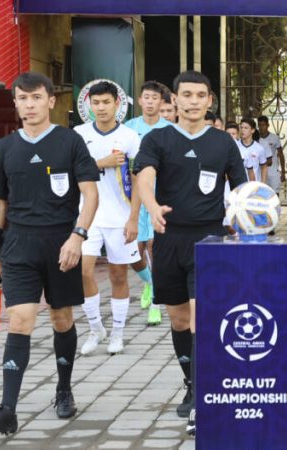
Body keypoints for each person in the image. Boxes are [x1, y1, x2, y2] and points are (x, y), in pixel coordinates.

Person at [0, 72, 100, 434]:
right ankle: (8, 410)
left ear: (50, 101)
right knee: (20, 320)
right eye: (21, 99)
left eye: (35, 98)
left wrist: (78, 236)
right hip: (19, 246)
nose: (28, 105)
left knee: (61, 318)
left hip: (62, 244)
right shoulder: (5, 148)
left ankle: (63, 389)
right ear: (14, 103)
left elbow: (90, 194)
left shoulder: (70, 142)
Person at [134, 70, 247, 436]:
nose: (194, 101)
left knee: (201, 319)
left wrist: (246, 220)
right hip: (168, 238)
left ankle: (202, 400)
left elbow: (243, 189)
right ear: (176, 100)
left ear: (210, 100)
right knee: (180, 321)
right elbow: (145, 176)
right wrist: (151, 206)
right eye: (187, 95)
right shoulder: (158, 138)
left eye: (201, 95)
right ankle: (192, 383)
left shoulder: (223, 144)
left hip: (210, 240)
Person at [74, 81, 143, 355]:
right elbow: (70, 172)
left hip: (120, 217)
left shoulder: (129, 137)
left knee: (118, 275)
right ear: (89, 105)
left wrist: (134, 218)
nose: (101, 108)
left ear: (117, 104)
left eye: (106, 102)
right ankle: (95, 328)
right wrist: (102, 163)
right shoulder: (78, 134)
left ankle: (117, 333)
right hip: (87, 216)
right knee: (83, 271)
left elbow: (139, 180)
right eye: (96, 103)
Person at [124, 81, 173, 325]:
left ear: (162, 102)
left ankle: (155, 301)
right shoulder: (129, 128)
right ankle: (149, 282)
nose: (151, 101)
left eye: (155, 97)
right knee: (134, 252)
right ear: (140, 101)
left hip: (159, 198)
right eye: (147, 97)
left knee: (155, 246)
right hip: (133, 198)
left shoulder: (169, 130)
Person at [257, 115, 285, 194]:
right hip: (260, 171)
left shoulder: (275, 138)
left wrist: (283, 172)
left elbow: (281, 154)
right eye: (259, 125)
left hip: (273, 171)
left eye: (263, 125)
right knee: (262, 194)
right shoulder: (255, 139)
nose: (261, 127)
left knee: (275, 193)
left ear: (267, 125)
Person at [238, 118, 268, 182]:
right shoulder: (235, 146)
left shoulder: (259, 148)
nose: (242, 130)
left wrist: (263, 184)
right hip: (238, 186)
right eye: (241, 127)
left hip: (254, 186)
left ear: (252, 130)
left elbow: (264, 167)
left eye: (246, 128)